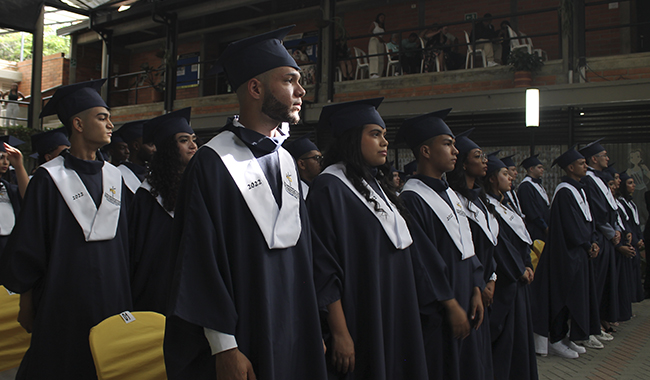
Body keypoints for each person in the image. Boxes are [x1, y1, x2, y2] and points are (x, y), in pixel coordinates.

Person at [163, 26, 327, 380]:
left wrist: (313, 324)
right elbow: (199, 264)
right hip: (243, 336)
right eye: (290, 80)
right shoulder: (211, 163)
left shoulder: (286, 161)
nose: (301, 90)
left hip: (296, 329)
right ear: (255, 88)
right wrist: (225, 347)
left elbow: (303, 254)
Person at [0, 79, 132, 380]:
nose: (111, 124)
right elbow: (31, 246)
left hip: (114, 294)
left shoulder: (116, 178)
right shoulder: (49, 180)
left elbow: (128, 244)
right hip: (63, 300)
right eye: (102, 117)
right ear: (78, 123)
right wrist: (26, 302)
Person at [309, 98, 437, 379]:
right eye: (375, 134)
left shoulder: (375, 185)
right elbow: (323, 267)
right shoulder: (329, 187)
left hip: (396, 308)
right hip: (362, 314)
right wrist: (340, 332)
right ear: (353, 138)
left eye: (385, 135)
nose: (385, 142)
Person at [398, 113, 487, 380]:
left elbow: (466, 245)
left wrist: (475, 289)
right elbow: (423, 261)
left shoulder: (450, 194)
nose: (456, 150)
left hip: (465, 296)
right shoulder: (411, 199)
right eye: (447, 144)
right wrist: (450, 305)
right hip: (438, 308)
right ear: (425, 151)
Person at [529, 148, 603, 359]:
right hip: (566, 255)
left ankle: (569, 336)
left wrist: (593, 241)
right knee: (564, 296)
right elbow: (571, 226)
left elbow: (588, 220)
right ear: (570, 168)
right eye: (581, 163)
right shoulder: (564, 192)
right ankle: (556, 338)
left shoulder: (578, 189)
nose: (586, 166)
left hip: (580, 253)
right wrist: (587, 243)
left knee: (578, 296)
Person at [129, 107, 196, 314]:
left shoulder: (199, 187)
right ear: (167, 147)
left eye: (193, 139)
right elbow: (136, 254)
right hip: (156, 295)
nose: (193, 146)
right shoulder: (147, 197)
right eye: (184, 140)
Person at [446, 129, 497, 380]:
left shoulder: (480, 200)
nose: (484, 160)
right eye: (478, 155)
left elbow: (490, 245)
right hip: (464, 289)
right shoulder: (453, 199)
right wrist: (480, 284)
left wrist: (492, 278)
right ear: (464, 163)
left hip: (480, 285)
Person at [483, 152, 538, 380]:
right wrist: (520, 269)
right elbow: (500, 246)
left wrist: (527, 263)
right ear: (492, 178)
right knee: (507, 343)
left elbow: (521, 240)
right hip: (507, 283)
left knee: (521, 341)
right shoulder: (488, 207)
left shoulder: (505, 205)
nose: (510, 177)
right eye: (505, 173)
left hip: (519, 281)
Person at [578, 139, 619, 338]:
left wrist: (617, 229)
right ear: (593, 159)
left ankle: (602, 320)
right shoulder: (589, 180)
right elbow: (597, 212)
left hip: (607, 236)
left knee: (605, 282)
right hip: (600, 237)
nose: (607, 158)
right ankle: (593, 325)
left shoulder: (600, 179)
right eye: (604, 155)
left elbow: (610, 208)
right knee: (596, 283)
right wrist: (611, 233)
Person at [618, 173, 645, 303]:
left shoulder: (632, 203)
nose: (633, 185)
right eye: (629, 183)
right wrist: (634, 240)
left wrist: (640, 238)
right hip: (629, 242)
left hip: (635, 241)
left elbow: (636, 223)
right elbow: (626, 224)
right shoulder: (620, 203)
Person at [0, 136, 29, 255]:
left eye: (8, 159)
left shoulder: (8, 188)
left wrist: (19, 166)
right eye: (1, 157)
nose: (6, 162)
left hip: (9, 241)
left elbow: (28, 196)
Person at [116, 119, 155, 206]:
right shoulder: (118, 175)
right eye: (150, 145)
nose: (154, 149)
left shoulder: (151, 172)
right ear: (136, 146)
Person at [517, 154, 550, 242]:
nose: (542, 170)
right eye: (539, 167)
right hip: (535, 229)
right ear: (531, 169)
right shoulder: (526, 186)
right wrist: (544, 227)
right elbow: (532, 211)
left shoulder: (538, 185)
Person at [284, 132, 323, 199]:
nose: (321, 162)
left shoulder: (318, 186)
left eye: (321, 158)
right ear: (302, 164)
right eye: (317, 158)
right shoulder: (295, 192)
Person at [368, 13, 386, 78]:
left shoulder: (382, 26)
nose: (382, 19)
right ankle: (373, 73)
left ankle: (379, 73)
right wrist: (377, 37)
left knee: (381, 57)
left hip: (380, 41)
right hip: (374, 40)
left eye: (383, 18)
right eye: (381, 17)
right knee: (374, 55)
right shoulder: (375, 24)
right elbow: (369, 31)